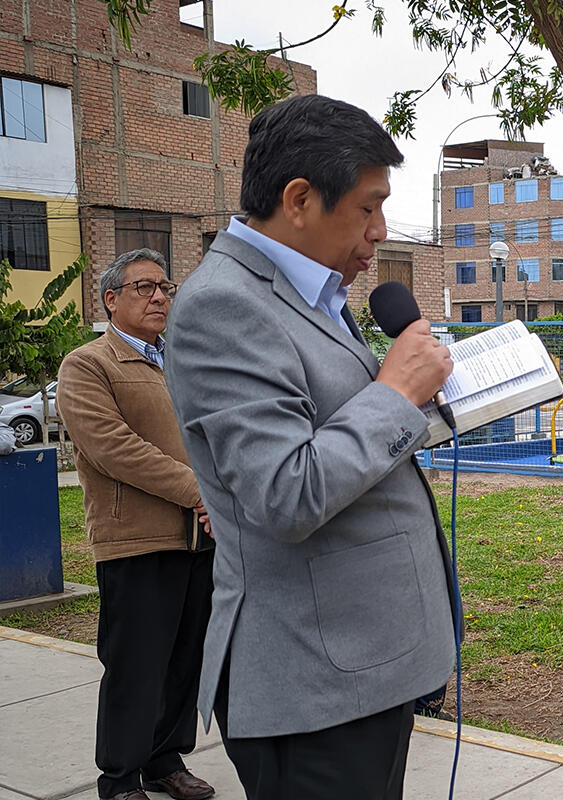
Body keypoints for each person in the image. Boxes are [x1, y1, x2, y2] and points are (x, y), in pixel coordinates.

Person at [164, 95, 457, 798]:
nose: (380, 232)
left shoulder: (315, 293)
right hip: (315, 686)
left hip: (365, 664)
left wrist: (418, 400)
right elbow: (285, 493)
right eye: (368, 207)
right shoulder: (223, 306)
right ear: (299, 199)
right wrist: (395, 394)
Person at [55, 249, 215, 800]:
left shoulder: (181, 361)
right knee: (134, 667)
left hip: (198, 537)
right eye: (144, 287)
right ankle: (120, 777)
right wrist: (199, 490)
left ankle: (165, 760)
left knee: (182, 661)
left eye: (165, 286)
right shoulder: (88, 364)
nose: (158, 296)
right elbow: (112, 448)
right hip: (136, 541)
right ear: (110, 299)